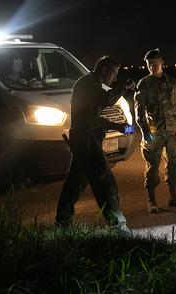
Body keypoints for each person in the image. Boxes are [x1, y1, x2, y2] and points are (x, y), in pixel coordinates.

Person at [56, 56, 135, 233]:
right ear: (104, 71)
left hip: (84, 140)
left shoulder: (90, 85)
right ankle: (117, 225)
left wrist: (116, 126)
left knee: (75, 183)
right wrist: (124, 87)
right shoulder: (87, 85)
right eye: (114, 74)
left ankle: (62, 222)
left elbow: (92, 117)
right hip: (86, 141)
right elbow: (107, 100)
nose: (115, 78)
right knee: (105, 181)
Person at [134, 48, 176, 213]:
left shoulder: (173, 82)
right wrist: (144, 130)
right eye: (149, 65)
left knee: (173, 165)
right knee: (152, 166)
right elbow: (139, 110)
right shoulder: (143, 84)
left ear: (162, 63)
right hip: (154, 131)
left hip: (172, 131)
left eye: (155, 64)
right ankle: (152, 200)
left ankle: (173, 197)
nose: (151, 67)